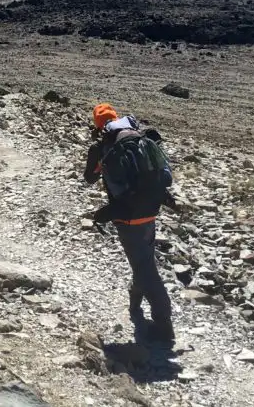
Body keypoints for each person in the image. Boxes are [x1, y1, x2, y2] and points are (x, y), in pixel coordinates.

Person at [84, 103, 176, 343]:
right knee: (143, 258)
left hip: (126, 214)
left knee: (145, 268)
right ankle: (135, 304)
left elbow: (89, 178)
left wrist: (97, 156)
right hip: (151, 208)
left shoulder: (103, 146)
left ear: (98, 124)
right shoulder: (139, 138)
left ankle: (164, 327)